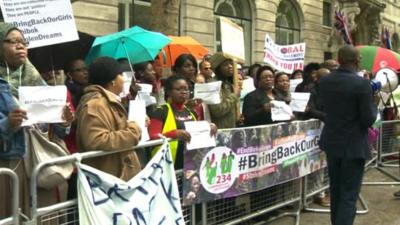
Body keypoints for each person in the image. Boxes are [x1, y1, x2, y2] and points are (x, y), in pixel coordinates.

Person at [0, 22, 73, 218]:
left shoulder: (36, 81)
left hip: (39, 164)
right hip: (9, 167)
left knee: (41, 215)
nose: (20, 46)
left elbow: (53, 130)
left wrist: (63, 121)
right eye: (12, 41)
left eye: (23, 41)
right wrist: (9, 123)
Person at [319, 45, 377, 225]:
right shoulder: (361, 84)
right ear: (357, 60)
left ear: (338, 59)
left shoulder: (325, 81)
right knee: (349, 195)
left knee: (336, 191)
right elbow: (368, 119)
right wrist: (373, 100)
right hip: (353, 146)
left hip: (332, 143)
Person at [76, 57, 142, 181]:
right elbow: (96, 141)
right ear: (112, 81)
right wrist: (133, 131)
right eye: (121, 75)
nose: (124, 79)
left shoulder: (109, 101)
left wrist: (135, 124)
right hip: (109, 180)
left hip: (118, 177)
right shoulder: (96, 105)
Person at [148, 75, 217, 169]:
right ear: (169, 92)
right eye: (179, 89)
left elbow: (198, 133)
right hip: (168, 166)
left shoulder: (192, 113)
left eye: (186, 89)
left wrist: (209, 127)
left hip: (190, 165)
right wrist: (173, 134)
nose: (184, 92)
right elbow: (152, 138)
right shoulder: (160, 111)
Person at [208, 53, 240, 129]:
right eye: (225, 64)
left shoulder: (228, 83)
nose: (230, 66)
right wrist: (234, 96)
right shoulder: (212, 84)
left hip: (231, 130)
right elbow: (217, 111)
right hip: (220, 131)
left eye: (231, 64)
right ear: (218, 68)